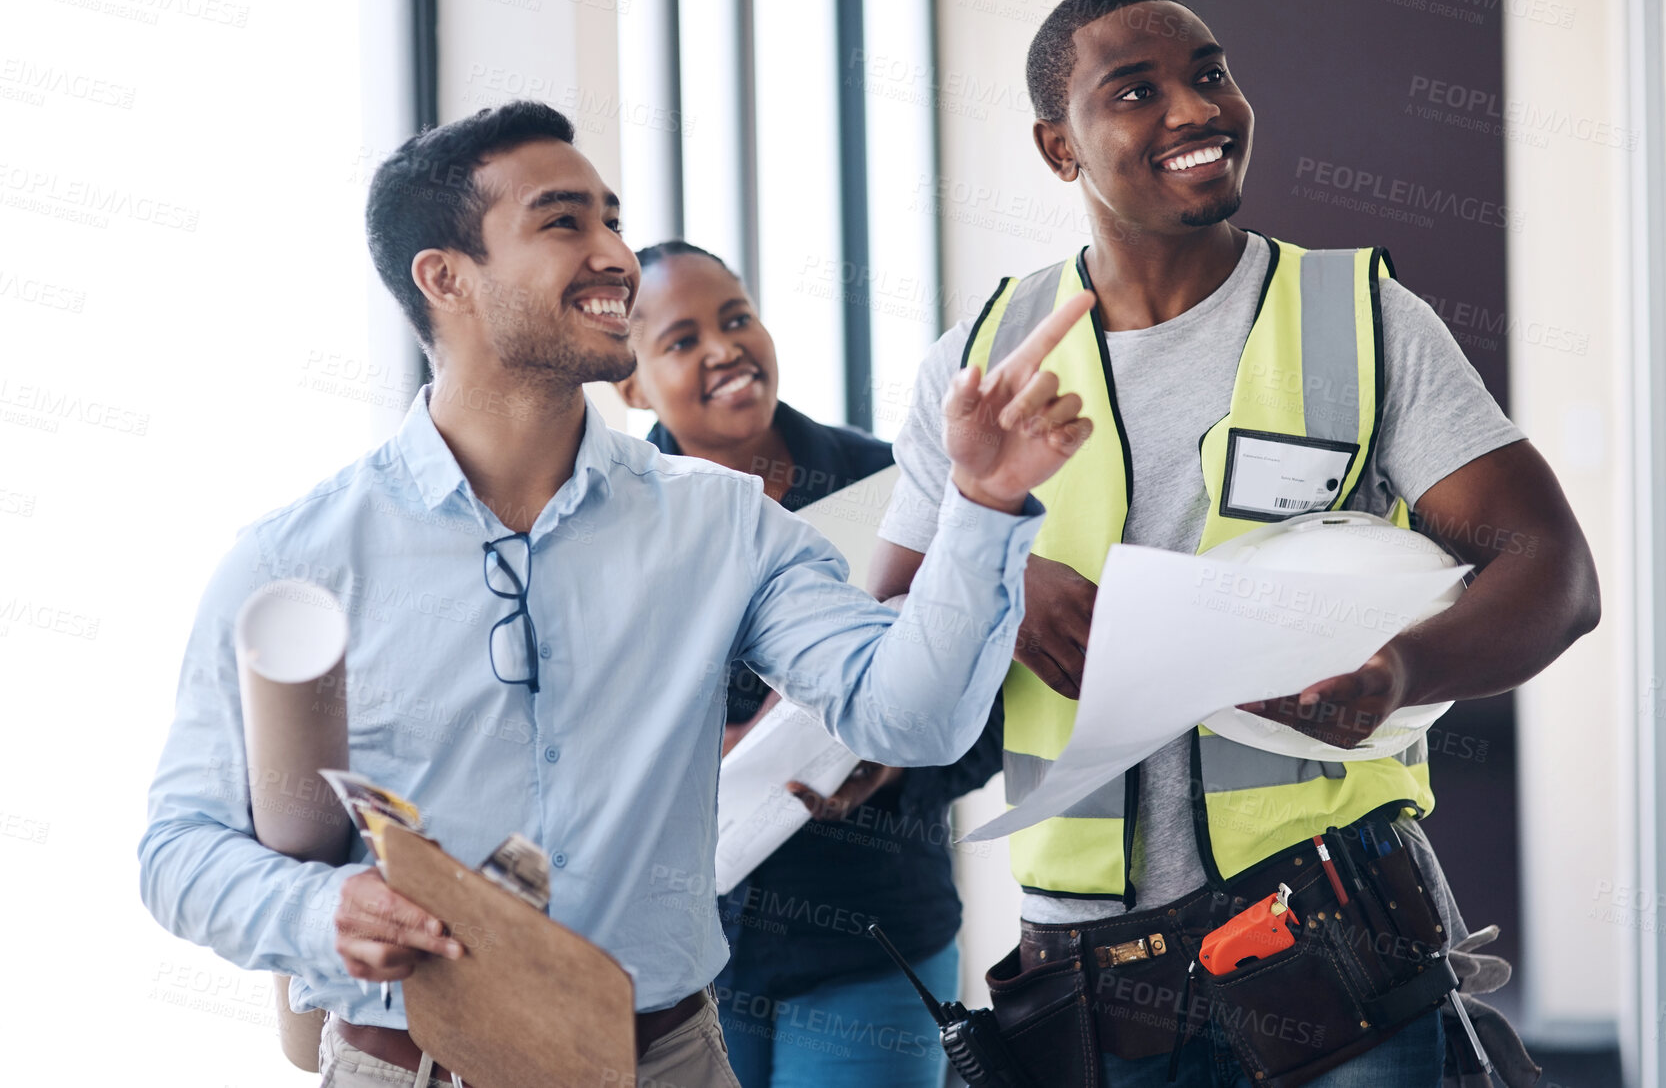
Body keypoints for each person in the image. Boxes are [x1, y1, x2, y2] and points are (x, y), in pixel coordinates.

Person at [137, 100, 1097, 1088]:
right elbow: (177, 851)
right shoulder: (294, 558)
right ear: (446, 278)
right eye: (563, 222)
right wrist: (319, 913)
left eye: (612, 219)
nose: (613, 254)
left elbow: (914, 721)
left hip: (667, 1061)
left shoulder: (722, 524)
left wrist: (981, 503)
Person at [867, 0, 1600, 1088]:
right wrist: (1003, 587)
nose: (1195, 109)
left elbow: (1554, 573)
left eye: (1210, 73)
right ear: (1058, 148)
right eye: (1136, 91)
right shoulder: (980, 358)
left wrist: (1397, 671)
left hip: (1338, 949)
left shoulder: (1361, 320)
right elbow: (881, 641)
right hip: (1091, 983)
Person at [613, 239, 1000, 1087]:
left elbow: (989, 703)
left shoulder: (888, 486)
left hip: (872, 933)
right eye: (680, 340)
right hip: (688, 954)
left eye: (737, 317)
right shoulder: (612, 522)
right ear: (632, 383)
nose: (723, 348)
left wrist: (892, 763)